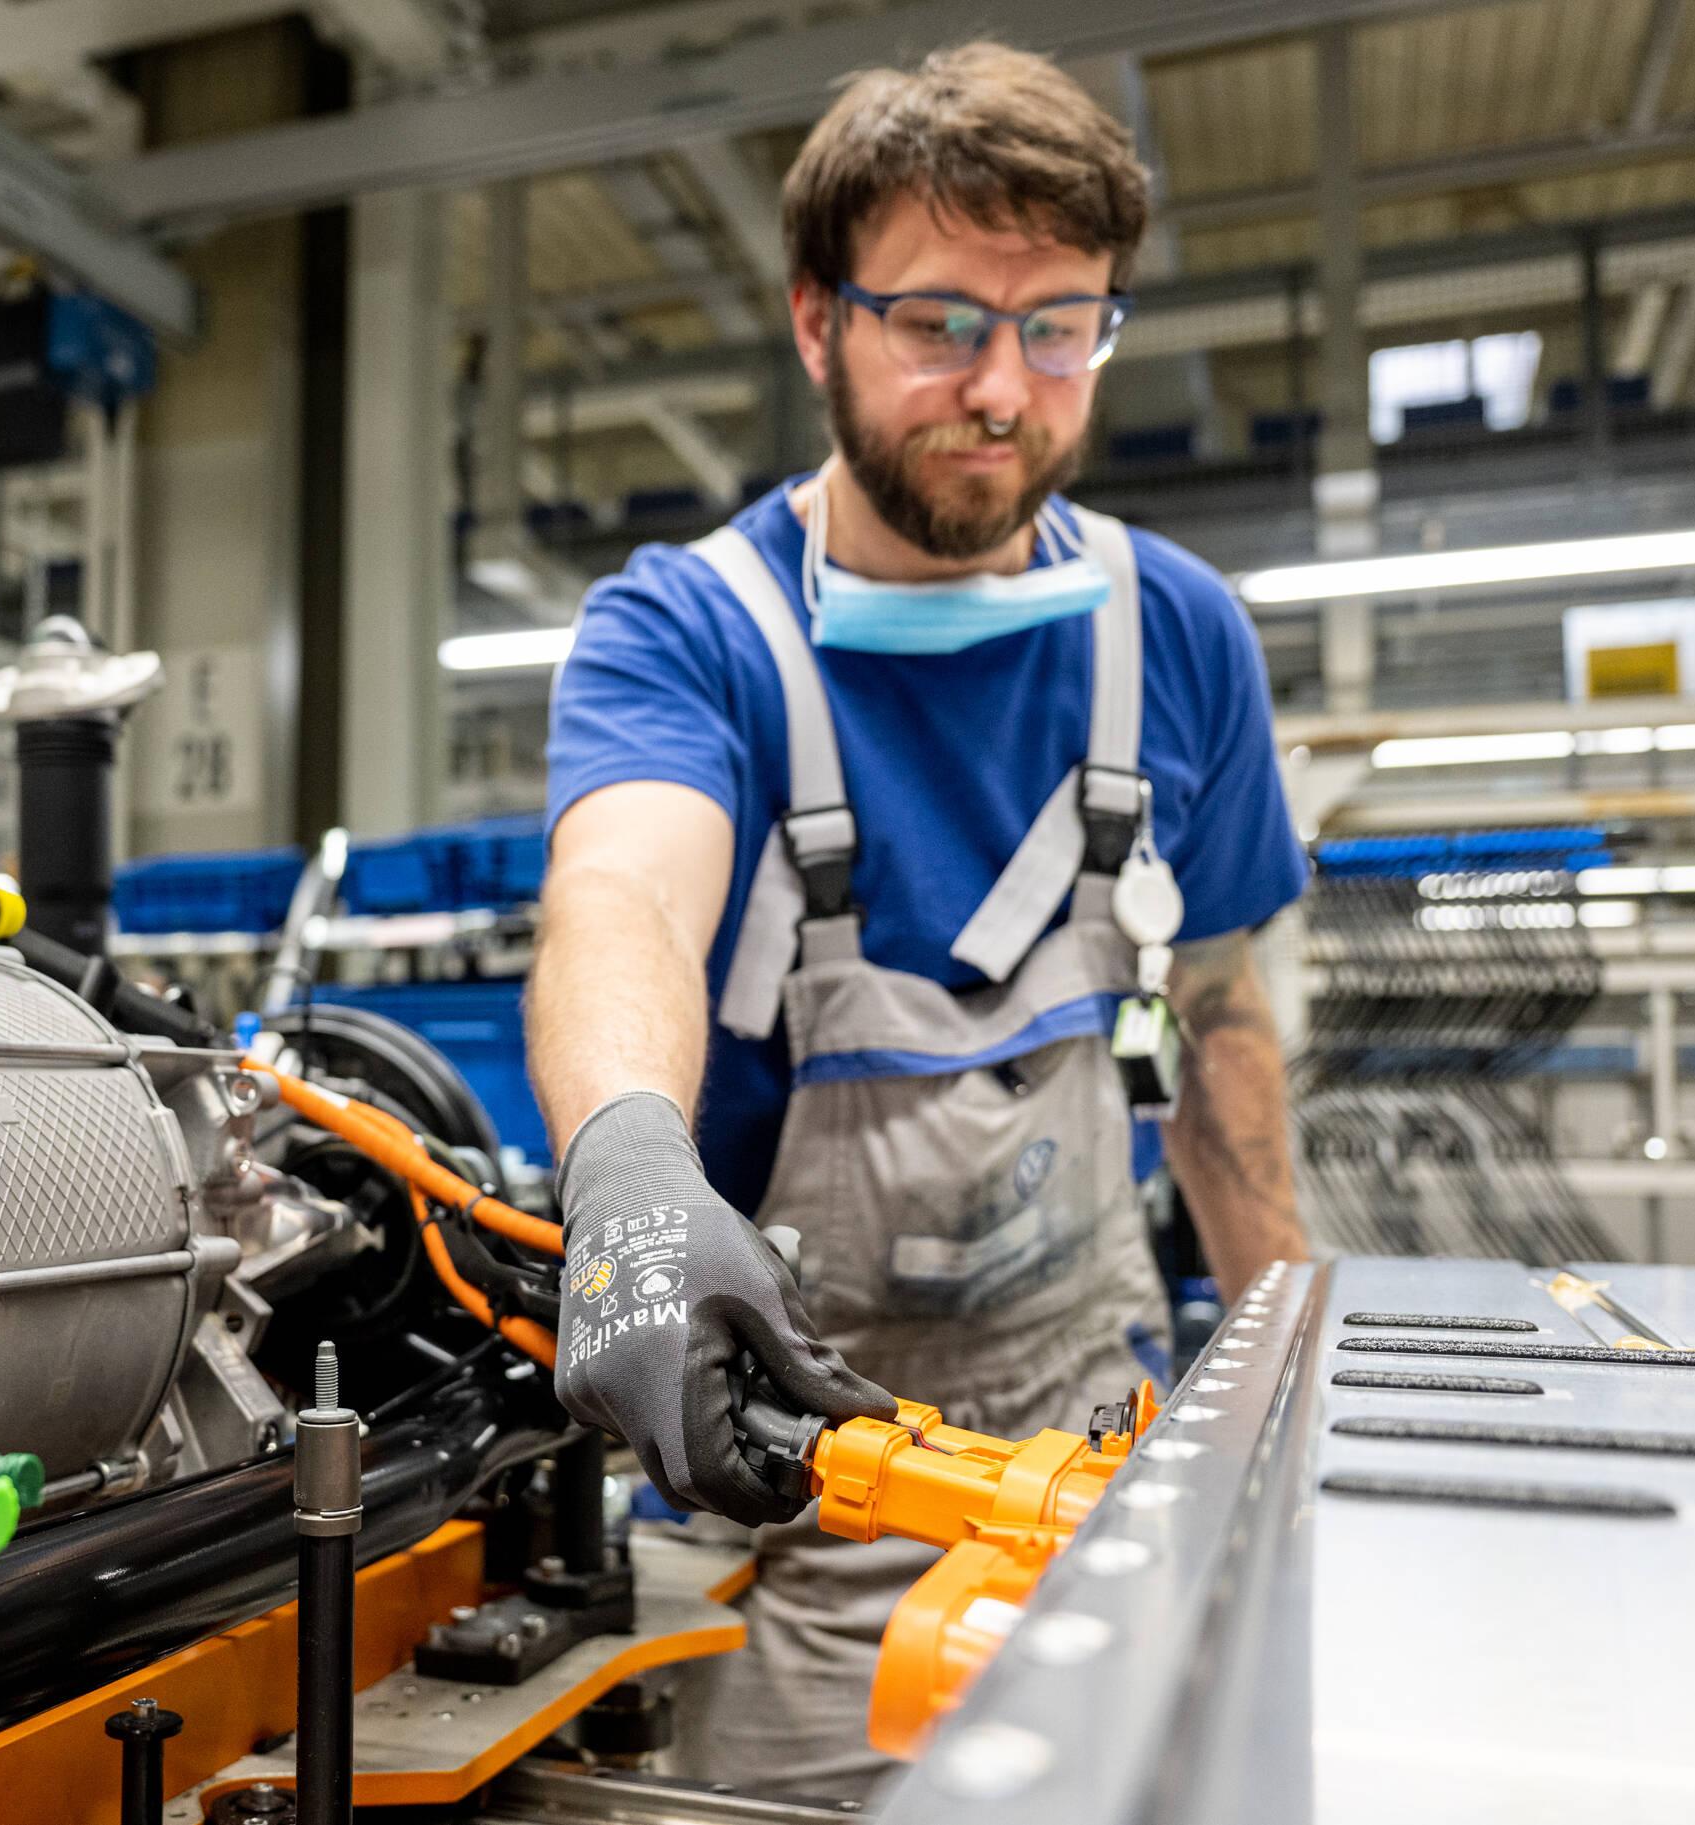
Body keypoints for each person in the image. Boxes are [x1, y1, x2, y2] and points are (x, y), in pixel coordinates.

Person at [528, 42, 1310, 1802]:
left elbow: (1224, 1018)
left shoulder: (1173, 634)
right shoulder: (690, 633)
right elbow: (620, 898)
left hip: (1097, 1446)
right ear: (817, 322)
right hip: (786, 1478)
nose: (1003, 390)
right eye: (940, 321)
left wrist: (1287, 1392)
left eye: (1061, 328)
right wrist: (634, 1174)